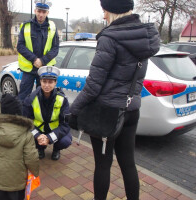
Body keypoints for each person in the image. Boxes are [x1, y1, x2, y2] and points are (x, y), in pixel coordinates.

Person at [69, 0, 160, 199]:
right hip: (131, 109)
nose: (103, 16)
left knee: (103, 164)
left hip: (107, 113)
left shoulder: (109, 38)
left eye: (105, 10)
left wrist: (72, 110)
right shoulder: (144, 38)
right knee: (128, 163)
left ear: (113, 11)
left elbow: (93, 85)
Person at [0, 94, 39, 200]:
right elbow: (31, 158)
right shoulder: (26, 134)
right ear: (19, 112)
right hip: (17, 182)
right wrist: (35, 172)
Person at [23, 66, 72, 160]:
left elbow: (65, 125)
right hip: (38, 129)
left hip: (55, 130)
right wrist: (37, 136)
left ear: (55, 83)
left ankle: (56, 149)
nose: (47, 85)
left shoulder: (62, 100)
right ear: (40, 81)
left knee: (65, 141)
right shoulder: (31, 99)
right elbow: (26, 122)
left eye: (50, 82)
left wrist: (49, 137)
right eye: (44, 81)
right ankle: (40, 148)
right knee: (25, 136)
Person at [17, 0, 59, 102]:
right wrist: (34, 59)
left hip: (45, 70)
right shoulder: (26, 26)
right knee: (23, 98)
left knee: (44, 98)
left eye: (43, 12)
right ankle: (23, 117)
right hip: (29, 70)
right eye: (39, 11)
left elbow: (55, 48)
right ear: (35, 10)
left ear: (47, 13)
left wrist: (42, 61)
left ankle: (42, 118)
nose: (41, 14)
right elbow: (20, 46)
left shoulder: (52, 27)